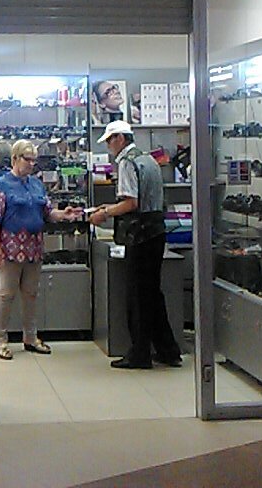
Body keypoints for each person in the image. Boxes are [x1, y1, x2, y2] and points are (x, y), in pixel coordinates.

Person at [89, 120, 182, 369]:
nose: (109, 147)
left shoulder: (127, 163)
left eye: (109, 141)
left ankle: (139, 354)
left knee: (138, 297)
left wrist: (104, 213)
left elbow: (131, 203)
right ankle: (168, 350)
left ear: (120, 138)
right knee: (153, 294)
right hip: (156, 232)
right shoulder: (148, 159)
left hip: (139, 235)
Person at [0, 138, 80, 359]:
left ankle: (30, 337)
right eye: (28, 159)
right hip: (10, 248)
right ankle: (1, 341)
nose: (32, 164)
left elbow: (47, 212)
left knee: (31, 294)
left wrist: (64, 214)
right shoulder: (2, 185)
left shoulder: (36, 185)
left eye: (34, 160)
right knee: (6, 294)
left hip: (34, 248)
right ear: (15, 158)